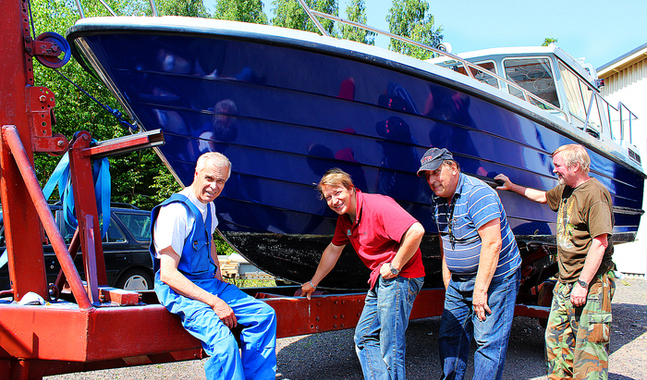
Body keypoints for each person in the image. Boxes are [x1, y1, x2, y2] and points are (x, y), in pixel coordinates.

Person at [150, 152, 277, 380]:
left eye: (220, 181)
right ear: (196, 173)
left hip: (209, 283)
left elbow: (208, 243)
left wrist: (219, 278)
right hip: (181, 290)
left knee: (264, 315)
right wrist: (215, 302)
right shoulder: (175, 212)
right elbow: (168, 275)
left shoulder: (208, 206)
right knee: (224, 342)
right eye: (209, 178)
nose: (214, 186)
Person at [495, 144, 615, 380]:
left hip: (590, 283)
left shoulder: (595, 194)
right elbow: (542, 197)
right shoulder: (566, 190)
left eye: (558, 166)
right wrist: (511, 187)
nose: (554, 170)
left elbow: (599, 243)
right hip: (565, 280)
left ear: (575, 166)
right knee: (557, 341)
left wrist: (582, 283)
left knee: (589, 353)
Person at [301, 168, 425, 380]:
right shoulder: (345, 220)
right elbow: (332, 251)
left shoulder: (377, 205)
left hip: (401, 276)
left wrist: (395, 266)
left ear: (350, 189)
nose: (334, 200)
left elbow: (416, 231)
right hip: (380, 279)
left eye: (337, 193)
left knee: (390, 344)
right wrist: (313, 283)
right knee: (365, 337)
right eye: (328, 197)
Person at [417, 148, 521, 380]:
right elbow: (445, 239)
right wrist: (448, 280)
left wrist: (480, 292)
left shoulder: (478, 194)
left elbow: (493, 244)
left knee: (487, 342)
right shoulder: (438, 197)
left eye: (436, 172)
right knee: (449, 335)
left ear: (453, 168)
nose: (432, 180)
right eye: (427, 176)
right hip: (459, 279)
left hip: (495, 277)